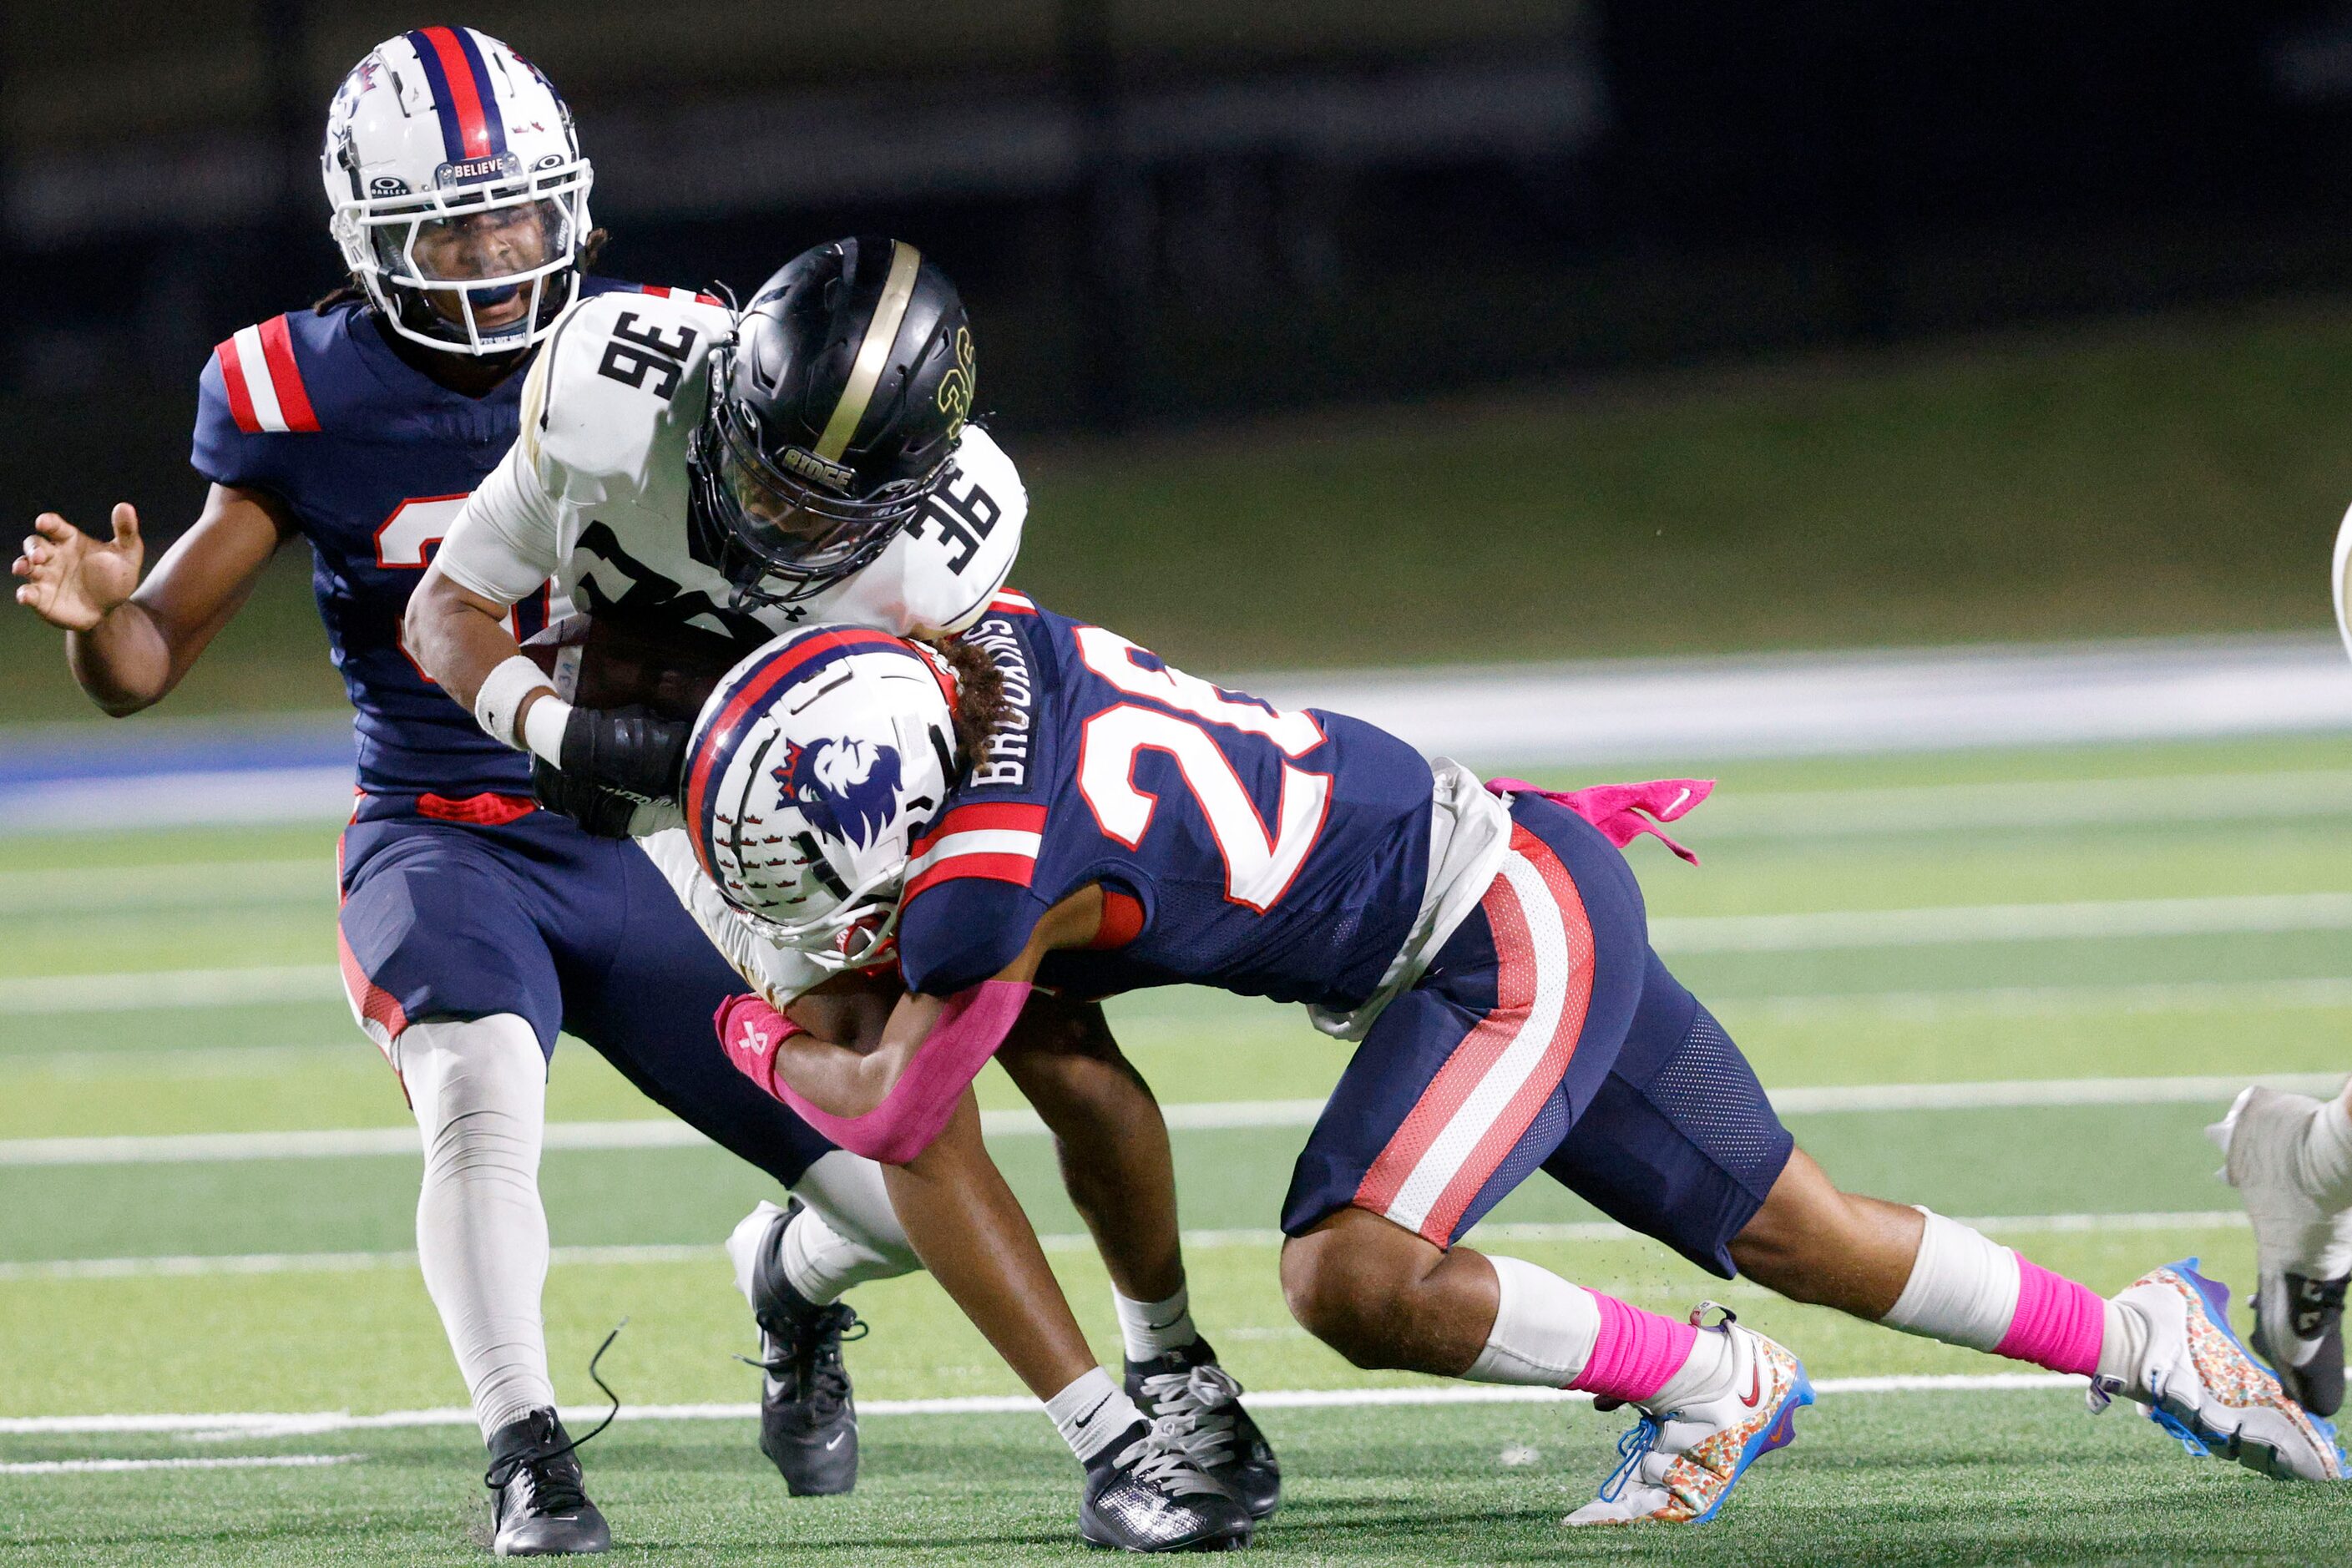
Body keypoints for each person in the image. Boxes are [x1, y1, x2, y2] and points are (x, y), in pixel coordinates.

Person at [686, 600, 2347, 1536]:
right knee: (1797, 1231)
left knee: (1347, 1271)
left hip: (1494, 933)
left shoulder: (988, 870)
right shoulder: (974, 655)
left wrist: (745, 1028)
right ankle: (2149, 1338)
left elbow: (900, 1108)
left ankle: (1711, 1385)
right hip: (1506, 887)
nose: (832, 934)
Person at [12, 30, 919, 1555]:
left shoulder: (678, 348)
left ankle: (784, 1276)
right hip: (442, 837)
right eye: (458, 224)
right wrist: (108, 616)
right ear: (371, 235)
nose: (499, 255)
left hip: (650, 837)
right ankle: (528, 1453)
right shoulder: (294, 390)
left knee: (900, 1195)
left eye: (520, 215)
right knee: (478, 1102)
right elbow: (152, 655)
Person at [402, 237, 1276, 1550]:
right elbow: (448, 608)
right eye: (759, 469)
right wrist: (568, 733)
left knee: (1060, 1038)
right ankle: (1110, 1446)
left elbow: (980, 705)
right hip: (714, 814)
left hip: (892, 761)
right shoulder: (613, 396)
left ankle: (1168, 1361)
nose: (777, 519)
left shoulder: (948, 538)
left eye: (825, 511)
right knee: (900, 1091)